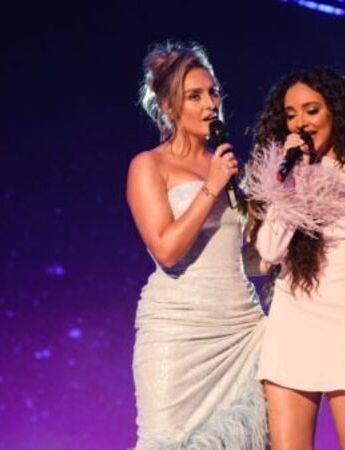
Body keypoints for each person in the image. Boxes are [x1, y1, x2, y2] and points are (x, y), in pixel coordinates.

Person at [126, 41, 266, 449]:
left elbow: (244, 258)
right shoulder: (149, 165)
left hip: (240, 328)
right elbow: (166, 250)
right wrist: (211, 188)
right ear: (169, 108)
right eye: (195, 96)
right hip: (178, 329)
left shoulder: (227, 166)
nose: (210, 105)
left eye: (213, 93)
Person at [244, 67, 345, 450]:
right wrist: (294, 177)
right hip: (293, 320)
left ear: (335, 111)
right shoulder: (286, 173)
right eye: (291, 114)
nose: (301, 122)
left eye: (311, 110)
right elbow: (270, 250)